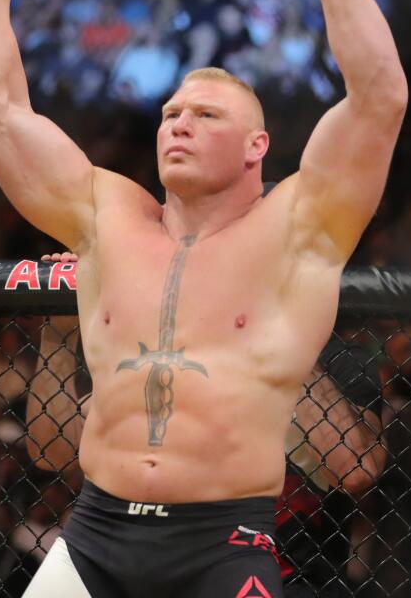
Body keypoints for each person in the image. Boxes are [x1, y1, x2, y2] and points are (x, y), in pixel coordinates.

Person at [0, 0, 406, 598]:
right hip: (95, 535)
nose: (178, 125)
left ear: (258, 146)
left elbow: (380, 98)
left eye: (206, 115)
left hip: (219, 543)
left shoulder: (300, 228)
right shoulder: (104, 215)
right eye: (170, 114)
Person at [24, 252, 387, 597]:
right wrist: (59, 334)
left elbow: (355, 468)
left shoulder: (337, 361)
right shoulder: (172, 341)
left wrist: (283, 336)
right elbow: (53, 452)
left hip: (281, 573)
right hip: (151, 566)